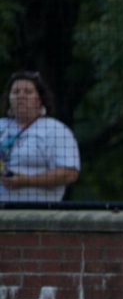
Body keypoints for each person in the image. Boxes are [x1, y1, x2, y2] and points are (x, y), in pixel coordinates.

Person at [0, 70, 81, 203]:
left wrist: (27, 181)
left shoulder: (55, 130)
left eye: (28, 92)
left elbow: (69, 173)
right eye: (15, 92)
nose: (21, 96)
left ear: (40, 100)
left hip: (38, 214)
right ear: (9, 99)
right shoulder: (1, 126)